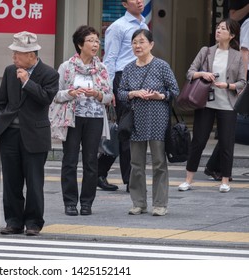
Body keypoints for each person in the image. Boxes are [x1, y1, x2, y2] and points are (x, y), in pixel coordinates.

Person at [0, 31, 59, 236]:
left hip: (34, 134)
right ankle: (13, 221)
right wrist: (2, 118)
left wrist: (27, 82)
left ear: (31, 54)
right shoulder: (8, 71)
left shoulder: (49, 74)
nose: (14, 58)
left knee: (34, 181)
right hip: (10, 133)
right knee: (11, 180)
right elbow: (1, 101)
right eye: (13, 54)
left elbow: (45, 98)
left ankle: (33, 222)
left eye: (18, 54)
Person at [178, 18, 246, 193]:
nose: (218, 31)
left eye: (223, 29)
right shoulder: (206, 51)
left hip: (228, 105)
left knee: (226, 143)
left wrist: (228, 86)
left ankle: (225, 180)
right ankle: (188, 179)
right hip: (206, 103)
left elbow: (242, 82)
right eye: (218, 28)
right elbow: (190, 72)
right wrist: (203, 74)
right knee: (199, 141)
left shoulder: (237, 56)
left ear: (231, 35)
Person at [118, 29, 179, 216]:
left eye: (142, 42)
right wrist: (133, 93)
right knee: (136, 163)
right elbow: (120, 93)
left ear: (151, 44)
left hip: (158, 120)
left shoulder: (161, 66)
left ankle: (160, 204)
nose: (138, 46)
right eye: (135, 42)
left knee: (159, 163)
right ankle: (139, 203)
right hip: (136, 121)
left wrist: (159, 95)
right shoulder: (128, 68)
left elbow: (175, 90)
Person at [55, 25, 112, 216]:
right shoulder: (66, 67)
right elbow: (56, 94)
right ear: (80, 44)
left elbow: (108, 97)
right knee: (70, 160)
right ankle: (70, 202)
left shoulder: (102, 69)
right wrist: (70, 93)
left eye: (97, 41)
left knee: (90, 161)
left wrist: (97, 94)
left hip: (94, 118)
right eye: (91, 41)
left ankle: (87, 202)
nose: (95, 44)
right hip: (72, 118)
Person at [97, 0, 148, 192]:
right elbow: (109, 58)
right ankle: (130, 180)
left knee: (132, 130)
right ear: (124, 4)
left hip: (141, 77)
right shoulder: (117, 27)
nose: (139, 1)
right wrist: (109, 89)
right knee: (127, 130)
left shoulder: (143, 25)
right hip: (122, 78)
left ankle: (99, 172)